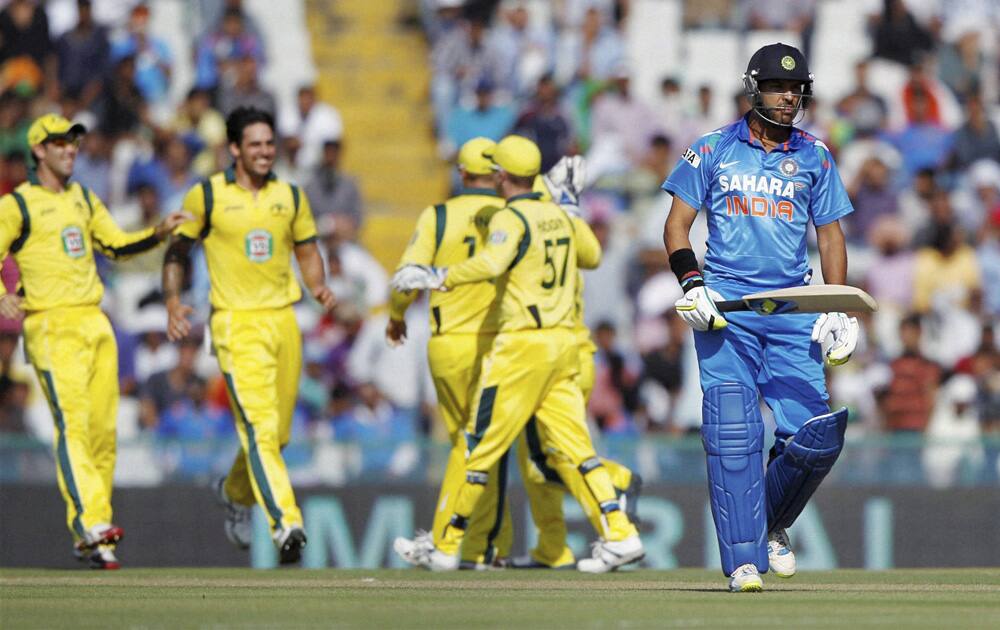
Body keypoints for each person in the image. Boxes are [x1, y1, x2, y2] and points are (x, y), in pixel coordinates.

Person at [392, 135, 643, 573]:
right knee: (575, 448)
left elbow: (491, 264)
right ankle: (620, 534)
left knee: (479, 443)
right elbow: (593, 254)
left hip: (522, 345)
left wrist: (436, 275)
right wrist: (569, 202)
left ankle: (448, 545)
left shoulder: (511, 217)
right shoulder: (558, 213)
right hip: (564, 343)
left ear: (501, 176)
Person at [662, 43, 859, 592]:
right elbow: (676, 227)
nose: (789, 98)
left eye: (796, 89)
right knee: (733, 432)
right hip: (728, 309)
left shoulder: (816, 155)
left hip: (795, 309)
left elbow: (830, 234)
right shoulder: (712, 148)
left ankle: (771, 524)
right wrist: (691, 284)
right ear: (753, 89)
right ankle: (744, 563)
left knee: (814, 437)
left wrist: (837, 304)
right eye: (777, 87)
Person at [0, 113, 189, 569]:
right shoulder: (17, 205)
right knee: (74, 425)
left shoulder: (84, 198)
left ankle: (98, 533)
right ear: (39, 150)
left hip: (94, 322)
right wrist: (3, 296)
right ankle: (87, 520)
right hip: (50, 323)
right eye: (60, 142)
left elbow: (117, 246)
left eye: (73, 142)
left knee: (105, 434)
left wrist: (157, 233)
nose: (70, 149)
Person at [162, 106, 336, 564]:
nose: (265, 151)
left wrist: (317, 284)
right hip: (235, 322)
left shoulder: (291, 195)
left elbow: (308, 248)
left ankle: (235, 491)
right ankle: (286, 523)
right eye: (255, 144)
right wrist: (173, 300)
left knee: (276, 437)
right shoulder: (207, 196)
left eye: (269, 143)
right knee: (258, 427)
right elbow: (178, 251)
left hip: (284, 320)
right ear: (234, 148)